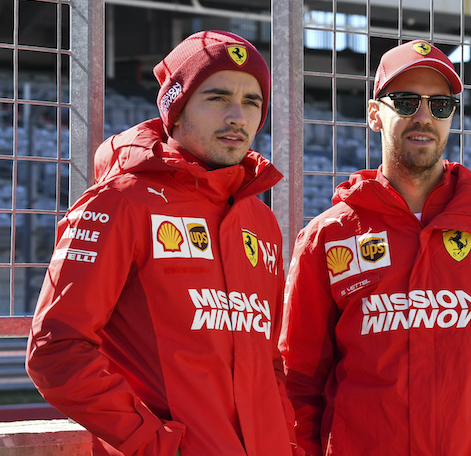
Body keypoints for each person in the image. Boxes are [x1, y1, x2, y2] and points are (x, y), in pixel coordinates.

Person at [26, 30, 303, 456]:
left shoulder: (260, 220)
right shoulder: (121, 201)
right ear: (175, 107)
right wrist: (157, 445)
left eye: (252, 102)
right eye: (217, 97)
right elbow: (56, 348)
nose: (238, 116)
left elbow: (270, 365)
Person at [280, 39, 471, 455]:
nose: (424, 117)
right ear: (375, 114)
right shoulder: (327, 236)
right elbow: (298, 381)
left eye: (440, 106)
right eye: (407, 101)